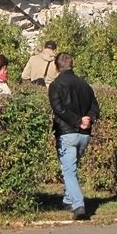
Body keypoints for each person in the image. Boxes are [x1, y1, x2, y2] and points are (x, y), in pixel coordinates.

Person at [48, 52, 99, 221]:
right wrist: (88, 119)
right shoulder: (85, 85)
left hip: (67, 132)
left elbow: (59, 109)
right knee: (72, 167)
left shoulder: (56, 85)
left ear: (56, 67)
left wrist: (77, 121)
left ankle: (78, 205)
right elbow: (95, 108)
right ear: (72, 65)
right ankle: (68, 200)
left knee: (69, 170)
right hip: (84, 134)